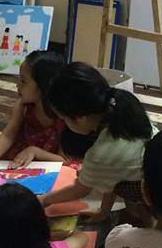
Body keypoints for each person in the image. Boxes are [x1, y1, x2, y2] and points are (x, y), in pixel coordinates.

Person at [40, 63, 154, 224]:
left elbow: (80, 190)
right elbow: (113, 173)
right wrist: (104, 211)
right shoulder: (122, 110)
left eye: (64, 119)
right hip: (161, 177)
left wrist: (44, 200)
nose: (64, 124)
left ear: (80, 118)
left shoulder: (100, 154)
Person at [0, 50, 65, 171]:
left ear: (43, 87)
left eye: (23, 81)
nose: (17, 85)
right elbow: (7, 136)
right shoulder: (23, 106)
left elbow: (64, 160)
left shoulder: (64, 117)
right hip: (17, 164)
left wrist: (35, 151)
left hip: (49, 168)